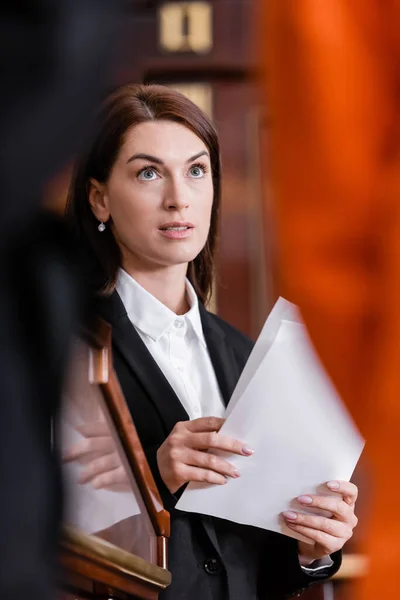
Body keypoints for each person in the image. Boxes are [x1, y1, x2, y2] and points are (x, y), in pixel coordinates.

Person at [64, 83, 358, 600]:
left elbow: (253, 564)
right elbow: (33, 528)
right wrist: (152, 475)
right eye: (149, 172)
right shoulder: (64, 345)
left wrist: (313, 550)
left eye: (197, 171)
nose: (179, 198)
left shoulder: (249, 357)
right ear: (100, 198)